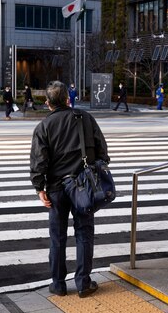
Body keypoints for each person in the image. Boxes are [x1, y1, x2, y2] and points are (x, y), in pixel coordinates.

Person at [30, 81, 109, 298]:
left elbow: (39, 161)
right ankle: (83, 283)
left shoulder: (44, 127)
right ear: (68, 99)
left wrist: (39, 188)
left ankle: (58, 284)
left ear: (47, 104)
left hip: (56, 187)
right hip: (83, 187)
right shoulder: (85, 118)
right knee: (84, 233)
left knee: (57, 236)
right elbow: (103, 151)